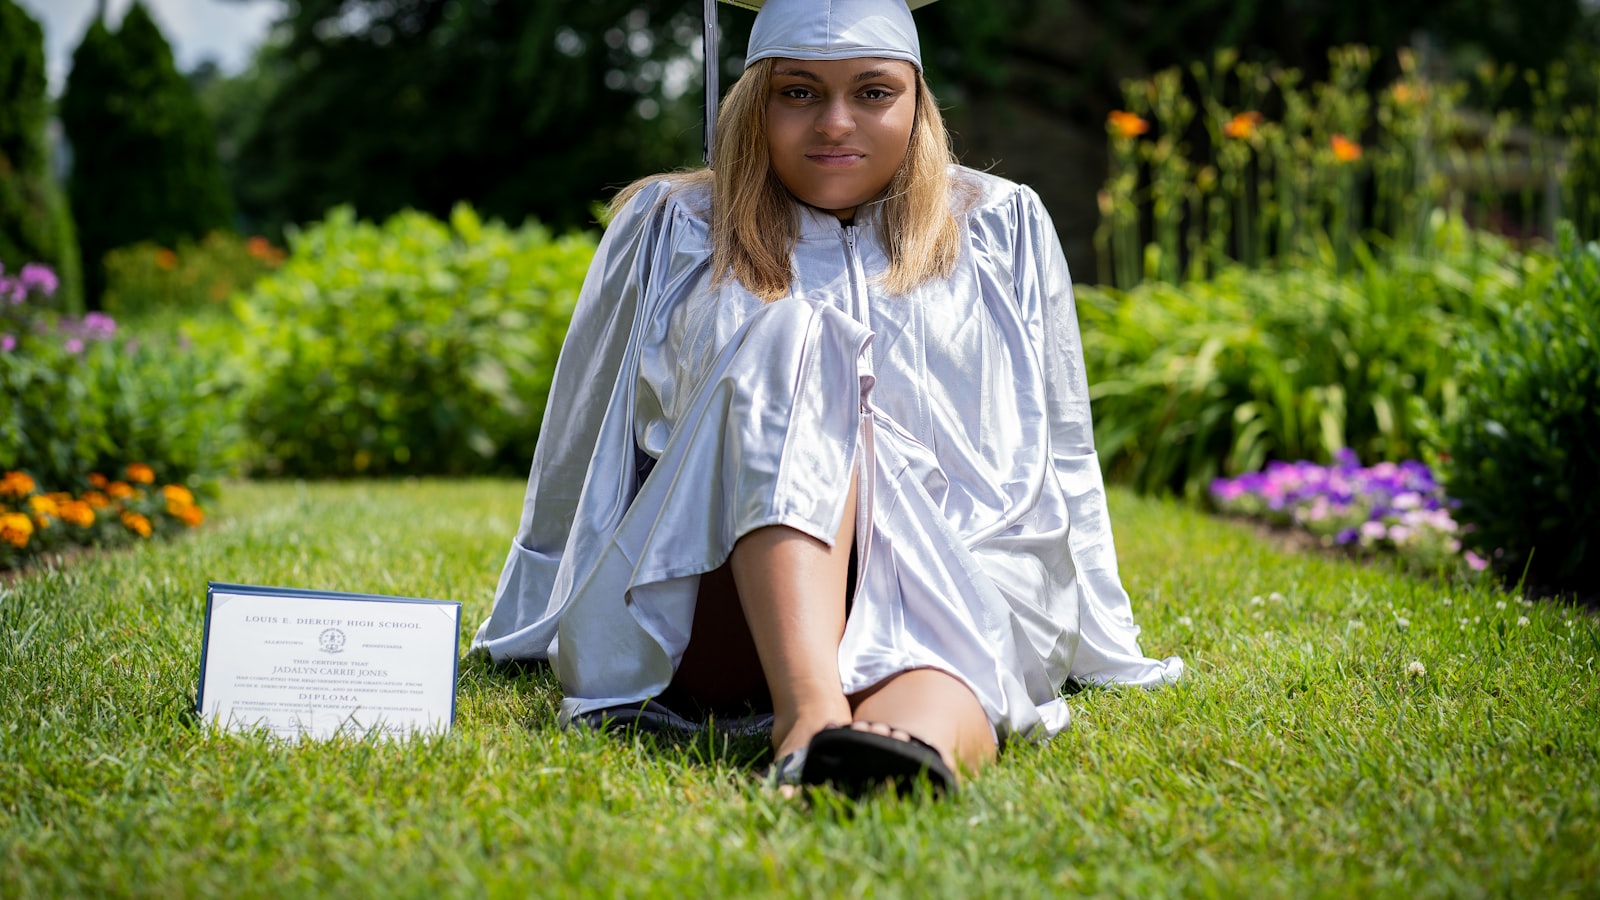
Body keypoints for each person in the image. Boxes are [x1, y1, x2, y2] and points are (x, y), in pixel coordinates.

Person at [472, 0, 1182, 796]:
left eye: (873, 93)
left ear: (918, 101)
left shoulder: (998, 223)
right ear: (753, 103)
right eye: (799, 93)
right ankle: (808, 713)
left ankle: (908, 748)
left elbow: (1059, 441)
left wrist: (1100, 634)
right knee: (798, 338)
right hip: (722, 592)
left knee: (945, 651)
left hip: (952, 571)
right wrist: (540, 606)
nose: (836, 123)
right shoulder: (673, 225)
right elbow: (588, 434)